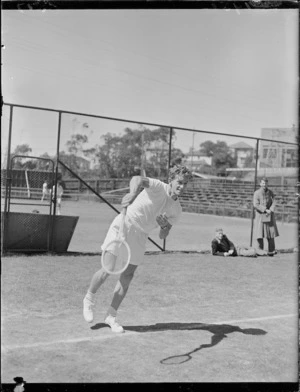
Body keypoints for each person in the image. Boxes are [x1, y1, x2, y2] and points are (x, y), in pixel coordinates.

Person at [83, 165, 192, 333]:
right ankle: (89, 299)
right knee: (108, 268)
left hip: (141, 235)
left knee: (127, 276)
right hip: (125, 223)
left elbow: (163, 236)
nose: (182, 187)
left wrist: (164, 227)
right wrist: (132, 193)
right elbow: (137, 179)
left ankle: (111, 316)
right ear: (171, 179)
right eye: (180, 182)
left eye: (185, 183)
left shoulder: (176, 210)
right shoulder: (157, 186)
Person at [253, 177, 279, 257]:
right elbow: (256, 204)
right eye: (263, 183)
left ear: (267, 184)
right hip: (260, 216)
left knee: (270, 233)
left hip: (269, 216)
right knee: (259, 234)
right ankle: (260, 251)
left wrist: (270, 209)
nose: (264, 185)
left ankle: (271, 251)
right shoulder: (257, 193)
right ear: (260, 184)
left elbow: (274, 201)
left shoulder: (270, 192)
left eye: (266, 183)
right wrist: (264, 209)